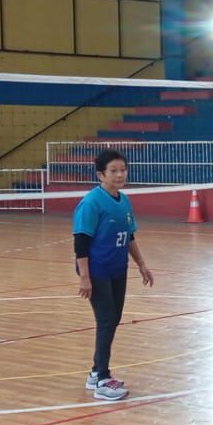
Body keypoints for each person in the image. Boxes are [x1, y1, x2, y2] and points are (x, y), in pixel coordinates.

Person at [74, 149, 154, 401]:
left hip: (117, 269)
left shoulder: (124, 200)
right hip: (97, 270)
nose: (120, 175)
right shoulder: (91, 203)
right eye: (113, 171)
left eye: (123, 170)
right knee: (107, 319)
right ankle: (102, 379)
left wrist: (141, 264)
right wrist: (84, 277)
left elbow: (129, 236)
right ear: (101, 175)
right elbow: (81, 242)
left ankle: (95, 372)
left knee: (113, 318)